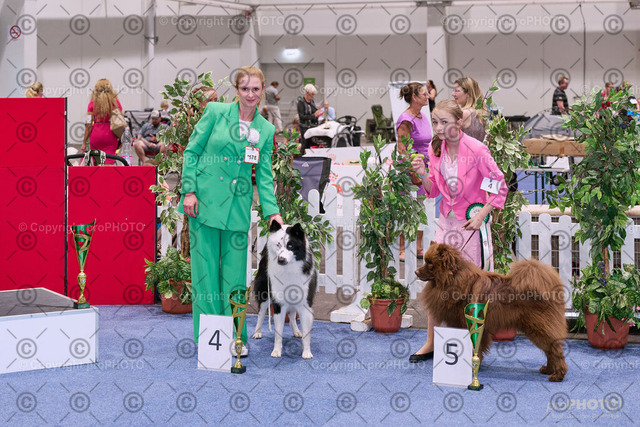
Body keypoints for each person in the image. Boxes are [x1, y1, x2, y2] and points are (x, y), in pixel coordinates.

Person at [179, 66, 283, 354]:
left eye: (255, 89)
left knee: (235, 279)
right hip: (203, 205)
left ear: (262, 91)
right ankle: (208, 339)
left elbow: (264, 176)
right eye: (245, 88)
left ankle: (237, 338)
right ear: (236, 90)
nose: (250, 94)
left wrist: (272, 212)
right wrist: (189, 190)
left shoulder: (265, 130)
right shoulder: (215, 112)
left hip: (236, 211)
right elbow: (191, 152)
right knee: (205, 277)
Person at [409, 99, 507, 362]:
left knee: (470, 289)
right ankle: (431, 343)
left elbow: (499, 186)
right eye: (435, 122)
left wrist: (481, 216)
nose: (439, 128)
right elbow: (433, 190)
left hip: (470, 226)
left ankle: (472, 350)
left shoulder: (477, 149)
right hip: (446, 223)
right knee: (436, 281)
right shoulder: (435, 149)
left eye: (445, 122)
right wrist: (422, 174)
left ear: (459, 122)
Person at [396, 82, 433, 260]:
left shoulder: (422, 116)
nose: (428, 96)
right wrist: (413, 171)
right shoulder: (406, 119)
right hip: (410, 171)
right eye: (424, 94)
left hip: (423, 169)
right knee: (407, 210)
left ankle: (418, 246)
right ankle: (402, 248)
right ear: (414, 97)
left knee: (420, 209)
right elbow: (402, 149)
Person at [82, 79, 123, 165]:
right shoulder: (115, 103)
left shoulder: (92, 104)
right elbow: (121, 121)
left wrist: (84, 142)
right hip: (110, 135)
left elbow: (89, 125)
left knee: (96, 164)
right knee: (108, 163)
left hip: (95, 136)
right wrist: (121, 139)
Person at [452, 77, 487, 141]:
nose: (453, 94)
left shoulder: (465, 113)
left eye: (456, 91)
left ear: (468, 93)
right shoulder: (482, 112)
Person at [297, 83, 323, 149]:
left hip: (312, 126)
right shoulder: (301, 102)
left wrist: (318, 113)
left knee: (313, 144)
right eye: (312, 94)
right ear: (307, 92)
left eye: (314, 94)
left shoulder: (312, 101)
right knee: (305, 145)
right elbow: (302, 117)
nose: (313, 96)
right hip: (304, 127)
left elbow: (314, 111)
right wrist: (314, 115)